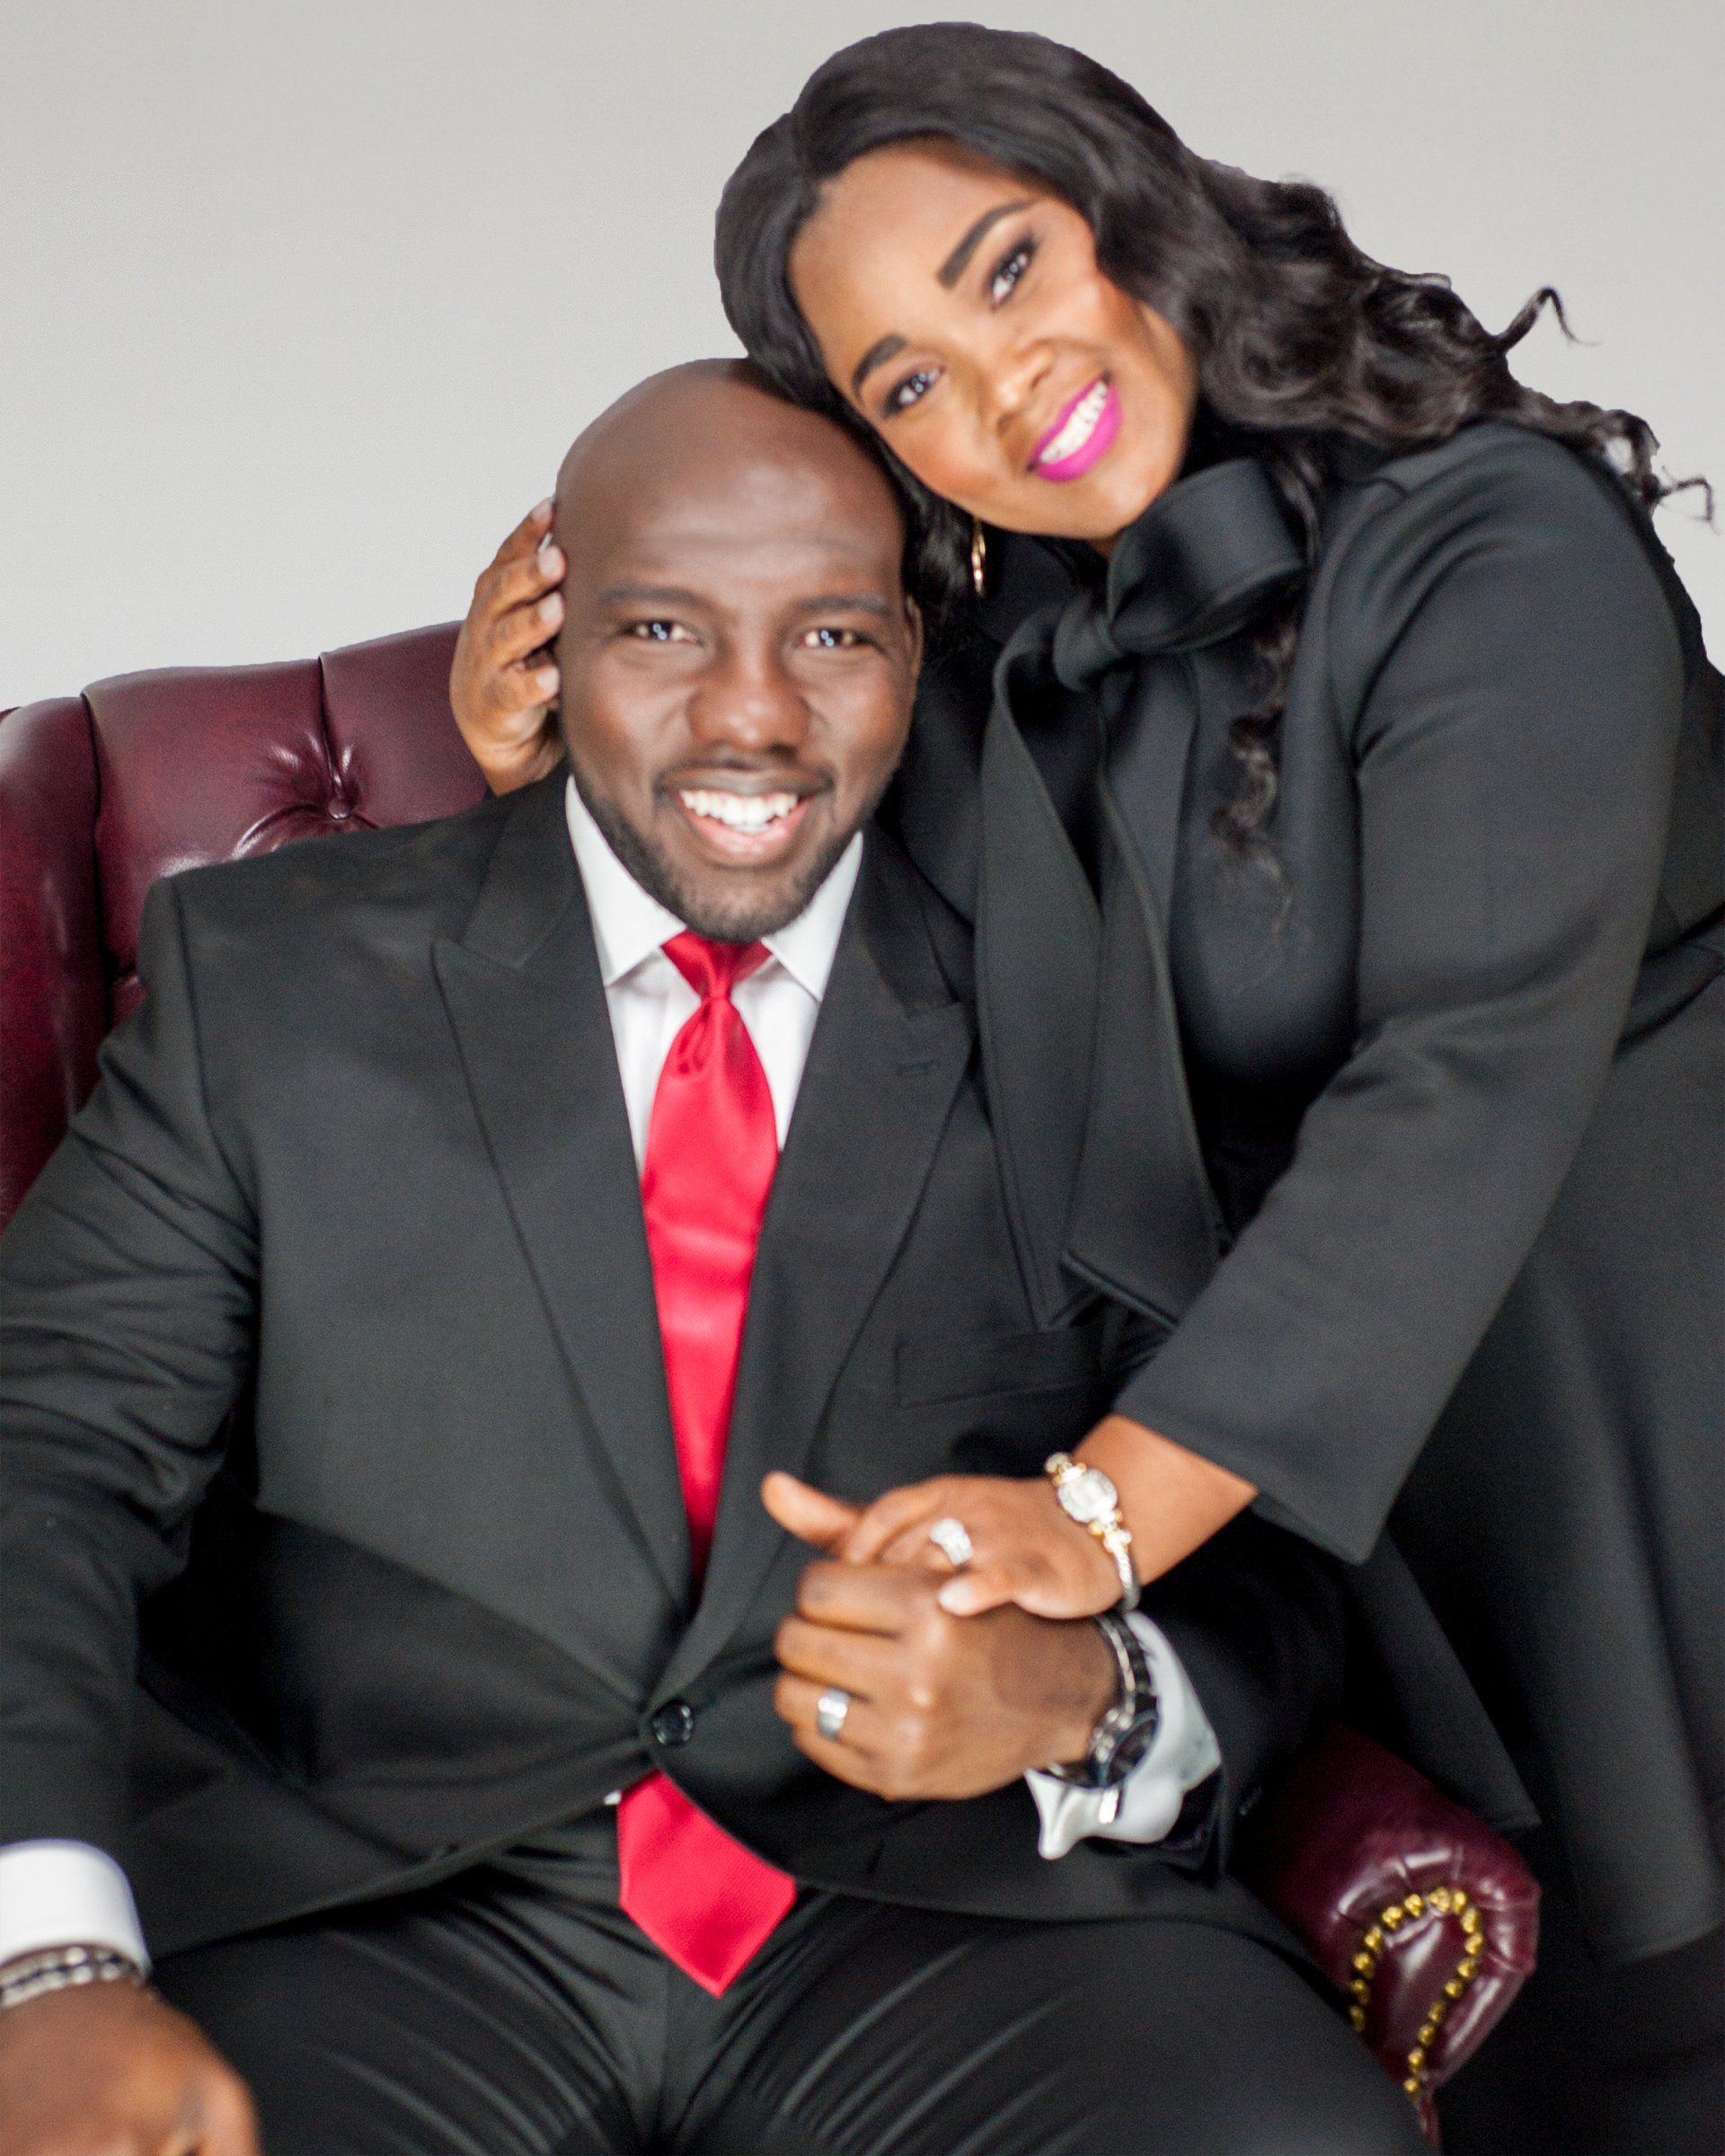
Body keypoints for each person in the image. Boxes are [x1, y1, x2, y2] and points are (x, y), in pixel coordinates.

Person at [448, 25, 1724, 2148]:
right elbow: (809, 866)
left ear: (1129, 202)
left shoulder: (1497, 540)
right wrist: (547, 746)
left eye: (1006, 267)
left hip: (1656, 1445)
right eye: (906, 386)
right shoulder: (1039, 654)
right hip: (1385, 1523)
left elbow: (1457, 1093)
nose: (998, 385)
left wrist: (1096, 1520)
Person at [0, 364, 1424, 2155]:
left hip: (945, 1926)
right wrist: (47, 1967)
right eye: (665, 626)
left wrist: (1085, 1695)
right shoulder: (269, 984)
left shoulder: (1097, 1015)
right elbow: (42, 1461)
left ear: (918, 651)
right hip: (372, 1921)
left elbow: (1268, 1506)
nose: (751, 718)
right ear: (543, 625)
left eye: (832, 635)